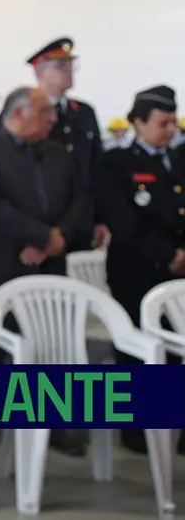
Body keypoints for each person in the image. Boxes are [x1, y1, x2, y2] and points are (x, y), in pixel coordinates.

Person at [0, 86, 92, 456]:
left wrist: (58, 237)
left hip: (49, 264)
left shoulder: (57, 153)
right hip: (1, 265)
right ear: (18, 114)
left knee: (50, 345)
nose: (53, 119)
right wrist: (40, 234)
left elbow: (79, 199)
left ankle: (55, 424)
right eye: (44, 112)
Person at [92, 85, 185, 454]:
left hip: (179, 268)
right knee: (137, 348)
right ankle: (137, 427)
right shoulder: (116, 164)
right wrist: (167, 253)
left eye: (172, 123)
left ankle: (174, 424)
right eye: (162, 123)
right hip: (138, 267)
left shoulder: (180, 159)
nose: (169, 131)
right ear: (138, 123)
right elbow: (123, 219)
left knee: (177, 347)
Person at [26, 37, 107, 248]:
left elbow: (96, 168)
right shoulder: (26, 114)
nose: (69, 70)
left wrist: (101, 219)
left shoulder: (84, 113)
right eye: (61, 66)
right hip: (44, 227)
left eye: (71, 65)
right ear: (39, 72)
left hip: (82, 223)